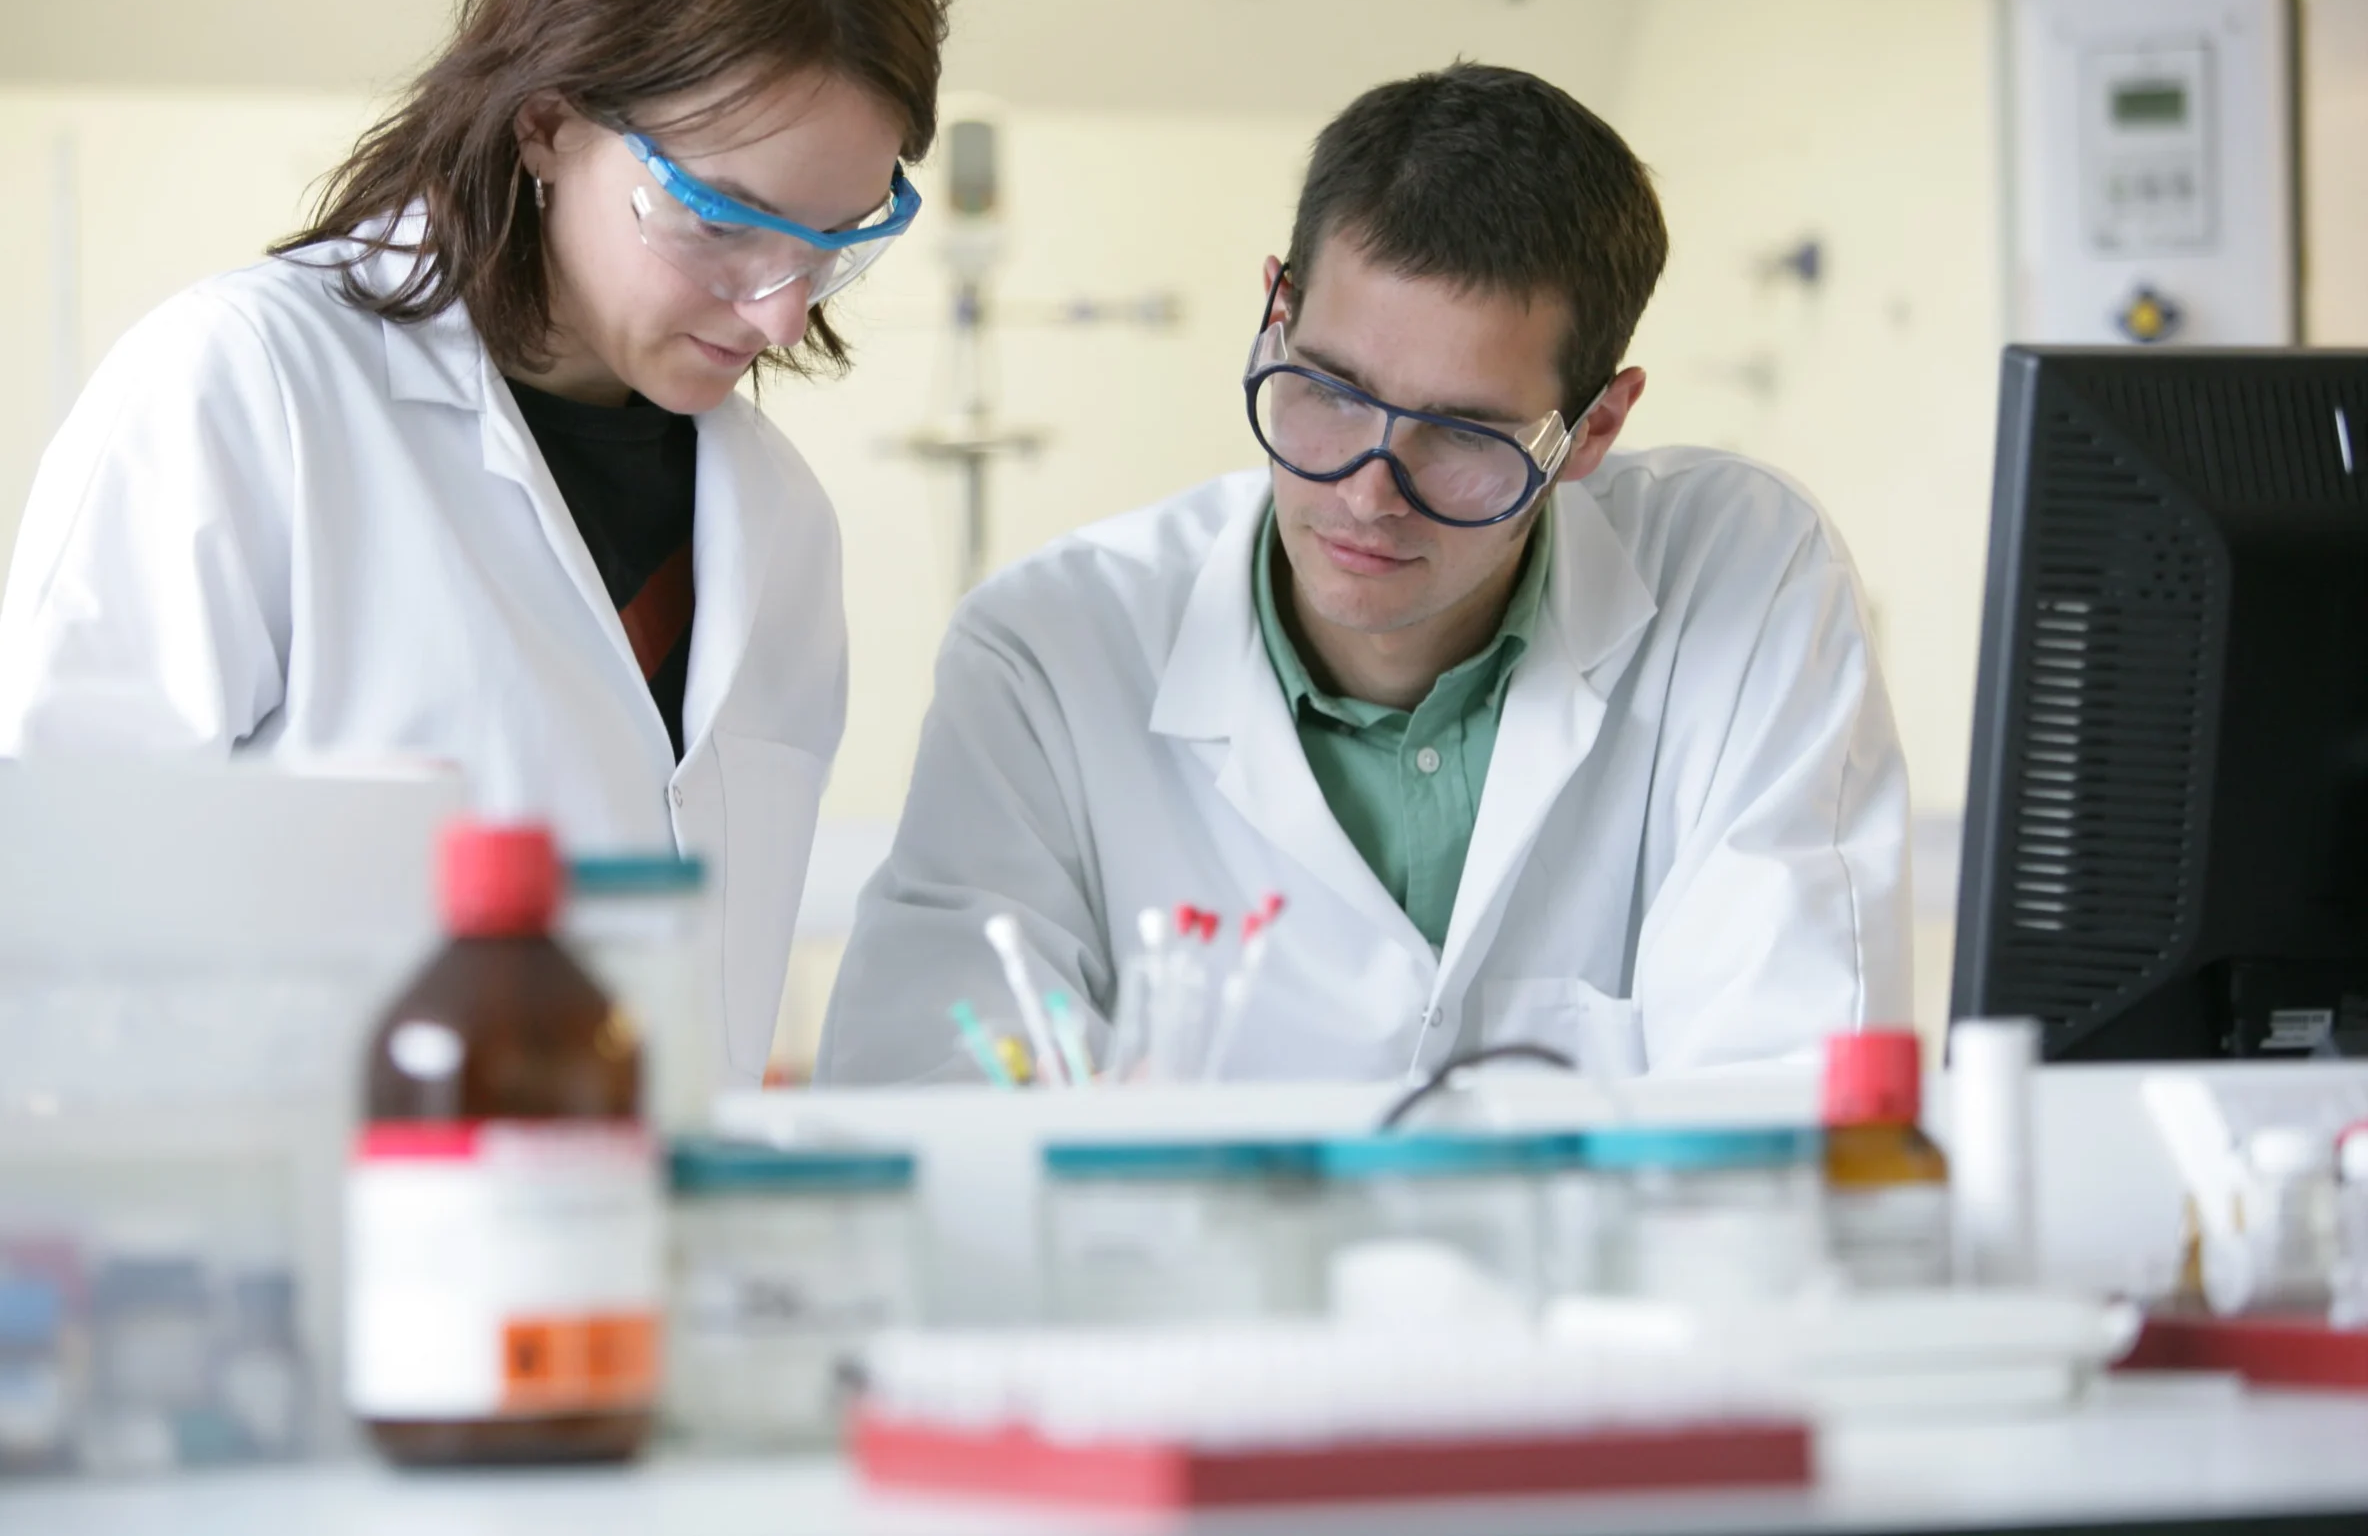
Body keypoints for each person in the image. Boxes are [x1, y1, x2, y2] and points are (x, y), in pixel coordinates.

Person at [0, 0, 950, 1083]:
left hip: (635, 1261)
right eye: (716, 220)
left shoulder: (781, 525)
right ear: (546, 123)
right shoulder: (250, 395)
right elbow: (23, 932)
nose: (779, 312)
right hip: (309, 1249)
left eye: (827, 239)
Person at [818, 63, 1910, 1085]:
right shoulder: (1048, 655)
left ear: (1592, 430)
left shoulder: (1740, 579)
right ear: (1276, 313)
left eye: (1464, 434)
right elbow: (934, 1111)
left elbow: (1791, 1101)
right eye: (1330, 388)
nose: (1366, 490)